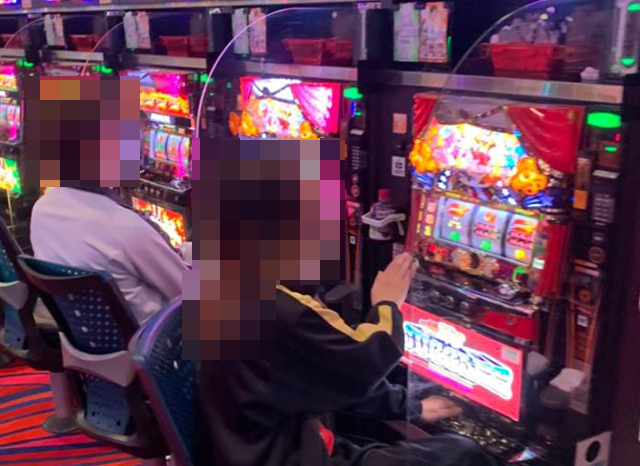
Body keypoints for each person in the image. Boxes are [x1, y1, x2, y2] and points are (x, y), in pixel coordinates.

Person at [30, 186, 189, 324]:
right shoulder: (124, 225)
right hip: (151, 339)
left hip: (82, 334)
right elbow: (186, 289)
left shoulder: (41, 208)